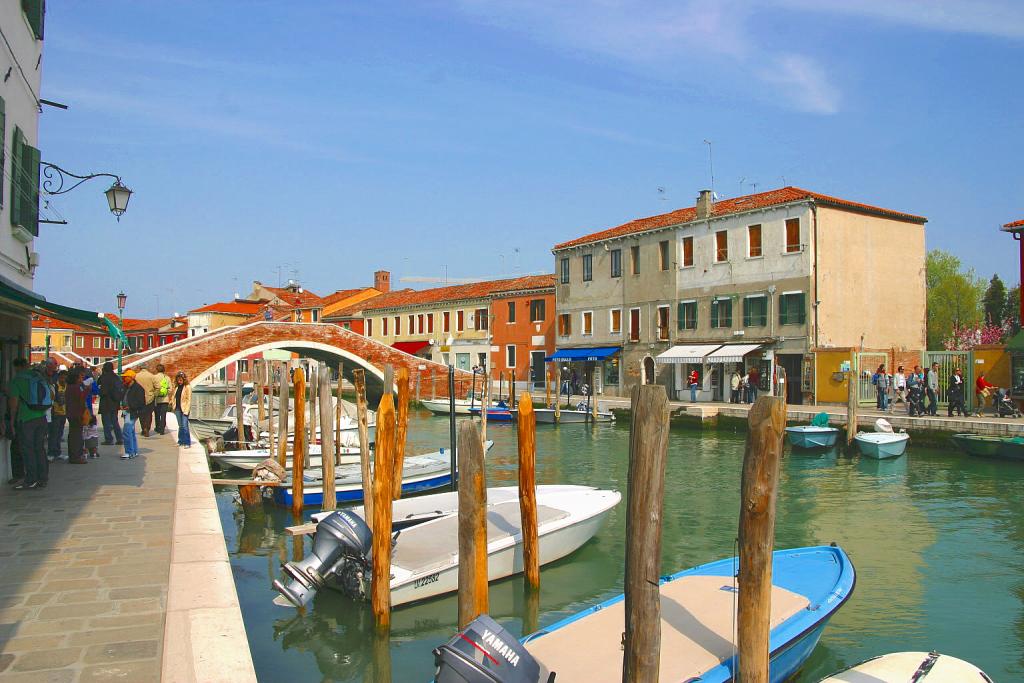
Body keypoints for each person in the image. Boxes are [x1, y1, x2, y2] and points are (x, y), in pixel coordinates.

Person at [8, 358, 51, 489]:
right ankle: (43, 478)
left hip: (26, 419)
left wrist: (11, 421)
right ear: (27, 365)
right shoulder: (38, 376)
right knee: (40, 448)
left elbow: (14, 404)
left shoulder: (16, 380)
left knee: (28, 449)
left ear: (16, 367)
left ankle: (30, 479)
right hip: (41, 417)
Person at [64, 368, 87, 464]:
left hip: (72, 413)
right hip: (76, 414)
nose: (82, 378)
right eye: (81, 376)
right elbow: (80, 399)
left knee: (74, 434)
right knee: (76, 436)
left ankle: (74, 454)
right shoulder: (75, 387)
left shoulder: (70, 387)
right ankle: (76, 456)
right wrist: (87, 390)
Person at [120, 369, 145, 459]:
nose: (124, 378)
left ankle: (129, 452)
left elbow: (141, 402)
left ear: (131, 378)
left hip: (132, 412)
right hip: (126, 412)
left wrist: (130, 406)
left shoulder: (138, 388)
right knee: (131, 432)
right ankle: (134, 451)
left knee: (126, 431)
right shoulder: (126, 387)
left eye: (126, 377)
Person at [97, 362, 123, 445]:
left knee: (106, 422)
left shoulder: (104, 378)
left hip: (106, 402)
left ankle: (109, 439)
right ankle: (119, 438)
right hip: (115, 402)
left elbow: (102, 390)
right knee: (115, 421)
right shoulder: (116, 377)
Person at [47, 369, 67, 461]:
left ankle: (57, 452)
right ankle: (51, 452)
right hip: (55, 413)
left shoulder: (66, 386)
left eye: (65, 378)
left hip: (63, 413)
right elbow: (55, 398)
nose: (63, 379)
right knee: (53, 434)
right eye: (62, 378)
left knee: (59, 434)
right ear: (59, 377)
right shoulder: (55, 386)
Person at [133, 364, 158, 436]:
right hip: (149, 397)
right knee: (148, 414)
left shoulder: (136, 376)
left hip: (139, 397)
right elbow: (158, 387)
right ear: (147, 368)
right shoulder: (152, 376)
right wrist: (154, 394)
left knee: (141, 414)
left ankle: (143, 428)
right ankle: (147, 428)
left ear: (140, 368)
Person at [172, 371, 193, 447]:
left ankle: (187, 442)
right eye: (178, 380)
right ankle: (180, 441)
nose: (179, 381)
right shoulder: (176, 387)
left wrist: (186, 410)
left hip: (184, 409)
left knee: (185, 425)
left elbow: (189, 399)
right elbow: (174, 397)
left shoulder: (187, 387)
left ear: (184, 380)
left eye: (181, 380)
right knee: (180, 426)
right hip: (177, 408)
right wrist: (173, 405)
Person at [153, 364, 171, 435]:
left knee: (157, 414)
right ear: (164, 370)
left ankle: (157, 427)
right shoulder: (167, 378)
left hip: (157, 399)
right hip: (165, 399)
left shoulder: (154, 377)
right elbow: (170, 389)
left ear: (157, 370)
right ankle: (162, 429)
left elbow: (153, 388)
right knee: (163, 415)